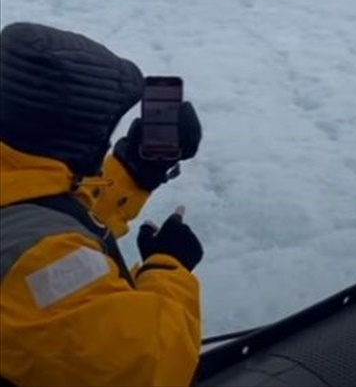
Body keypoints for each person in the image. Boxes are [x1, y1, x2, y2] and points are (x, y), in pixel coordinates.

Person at [0, 21, 204, 387]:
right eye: (102, 131)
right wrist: (169, 269)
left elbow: (36, 206)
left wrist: (135, 172)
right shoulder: (36, 259)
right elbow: (147, 365)